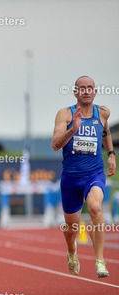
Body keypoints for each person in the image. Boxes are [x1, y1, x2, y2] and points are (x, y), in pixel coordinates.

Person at [52, 75, 114, 278]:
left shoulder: (103, 113)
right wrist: (73, 129)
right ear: (75, 92)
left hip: (94, 174)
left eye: (90, 88)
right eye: (82, 88)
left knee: (95, 208)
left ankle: (100, 261)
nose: (86, 91)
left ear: (94, 92)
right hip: (71, 178)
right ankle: (72, 250)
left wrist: (111, 154)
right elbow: (55, 145)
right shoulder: (65, 114)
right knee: (72, 228)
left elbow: (105, 132)